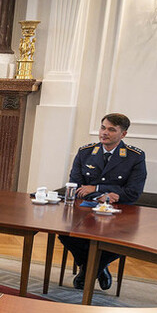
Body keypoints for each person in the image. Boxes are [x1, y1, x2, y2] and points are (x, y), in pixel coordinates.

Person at [58, 113, 146, 291]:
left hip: (118, 213)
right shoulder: (86, 152)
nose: (104, 133)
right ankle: (99, 268)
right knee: (64, 233)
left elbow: (133, 193)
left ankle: (88, 270)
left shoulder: (134, 156)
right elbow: (75, 186)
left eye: (111, 130)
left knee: (122, 240)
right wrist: (101, 194)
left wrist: (95, 188)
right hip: (86, 210)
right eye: (103, 128)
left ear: (123, 134)